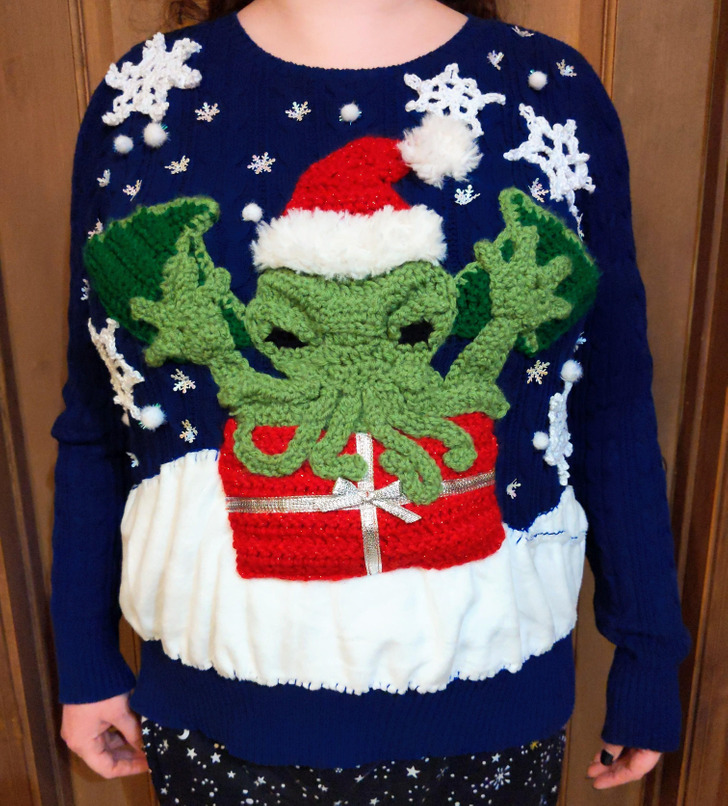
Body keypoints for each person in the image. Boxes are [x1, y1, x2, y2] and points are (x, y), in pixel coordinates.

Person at [53, 0, 690, 802]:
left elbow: (611, 405)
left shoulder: (545, 88)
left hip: (491, 714)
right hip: (217, 719)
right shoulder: (147, 99)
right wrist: (84, 659)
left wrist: (648, 652)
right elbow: (96, 416)